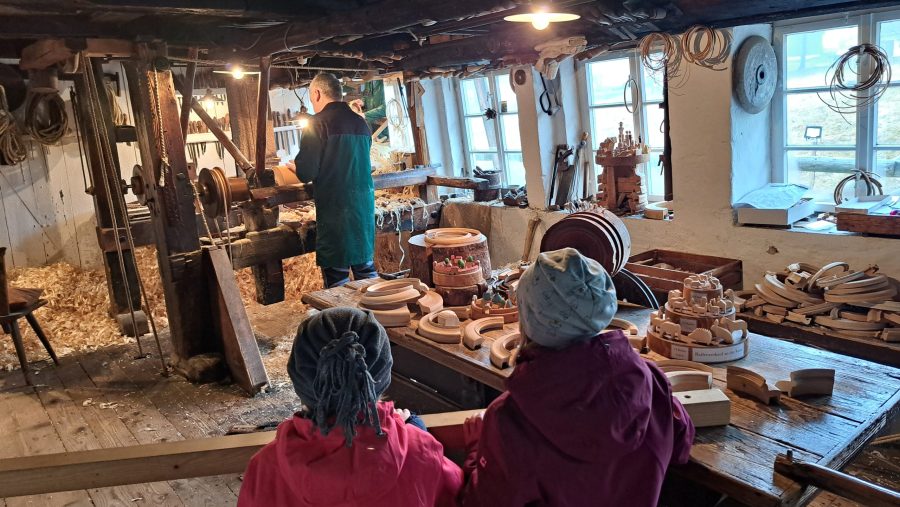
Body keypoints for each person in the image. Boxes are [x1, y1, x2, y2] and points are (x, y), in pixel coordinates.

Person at [462, 248, 695, 506]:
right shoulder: (651, 382)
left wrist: (477, 451)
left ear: (528, 319)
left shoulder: (510, 419)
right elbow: (681, 444)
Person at [238, 307, 463, 506]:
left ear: (298, 379)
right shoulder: (421, 452)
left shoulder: (265, 467)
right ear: (382, 377)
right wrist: (415, 434)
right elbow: (458, 494)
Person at [295, 73, 377, 288]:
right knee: (368, 278)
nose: (313, 104)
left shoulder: (317, 123)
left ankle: (343, 311)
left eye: (312, 99)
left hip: (336, 211)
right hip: (363, 210)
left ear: (317, 93)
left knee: (337, 283)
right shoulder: (361, 123)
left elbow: (306, 172)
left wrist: (295, 167)